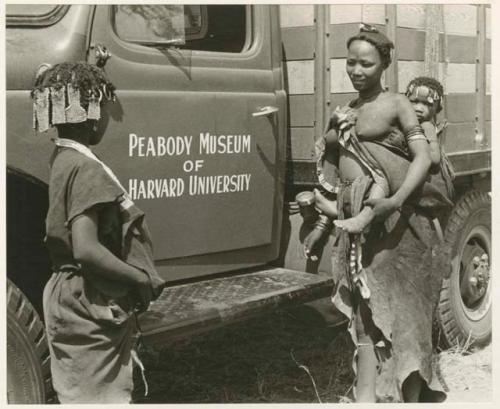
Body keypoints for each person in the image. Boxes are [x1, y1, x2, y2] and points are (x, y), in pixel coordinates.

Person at [305, 25, 450, 402]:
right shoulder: (346, 109)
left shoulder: (397, 104)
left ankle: (409, 396)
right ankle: (367, 396)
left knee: (405, 310)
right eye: (350, 62)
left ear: (384, 64)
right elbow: (332, 161)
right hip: (361, 223)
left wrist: (395, 200)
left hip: (399, 222)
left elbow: (421, 158)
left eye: (366, 64)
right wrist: (332, 130)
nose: (356, 70)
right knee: (366, 312)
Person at [32, 62, 166, 403]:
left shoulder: (62, 157)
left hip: (67, 295)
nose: (107, 116)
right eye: (105, 107)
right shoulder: (87, 168)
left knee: (77, 392)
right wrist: (137, 278)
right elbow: (86, 249)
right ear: (92, 114)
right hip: (88, 299)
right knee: (103, 397)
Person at [406, 76, 455, 201]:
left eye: (427, 104)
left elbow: (434, 158)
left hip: (425, 185)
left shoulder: (426, 126)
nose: (419, 108)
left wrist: (415, 150)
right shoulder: (410, 123)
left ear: (437, 109)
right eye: (414, 101)